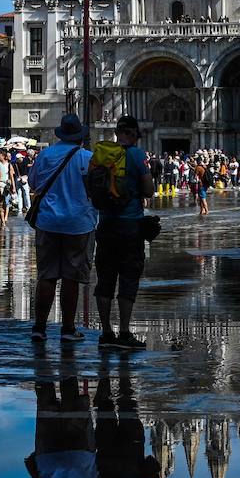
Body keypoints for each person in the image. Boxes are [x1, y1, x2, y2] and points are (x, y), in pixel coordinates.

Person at [29, 114, 97, 346]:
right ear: (80, 137)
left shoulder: (45, 155)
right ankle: (68, 328)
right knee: (71, 277)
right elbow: (95, 191)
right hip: (79, 224)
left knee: (47, 275)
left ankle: (39, 328)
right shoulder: (88, 158)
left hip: (48, 222)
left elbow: (33, 183)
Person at [92, 115, 153, 351]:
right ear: (135, 134)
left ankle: (106, 332)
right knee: (128, 278)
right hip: (130, 225)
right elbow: (148, 190)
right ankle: (125, 333)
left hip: (105, 224)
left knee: (105, 279)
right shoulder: (137, 155)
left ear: (117, 132)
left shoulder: (102, 154)